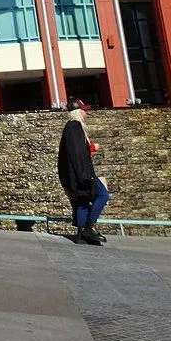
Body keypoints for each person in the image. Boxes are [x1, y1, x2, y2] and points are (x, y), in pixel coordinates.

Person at [57, 98, 108, 246]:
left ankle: (81, 235)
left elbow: (75, 150)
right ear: (78, 112)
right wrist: (84, 175)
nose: (86, 113)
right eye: (84, 110)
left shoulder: (71, 128)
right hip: (82, 173)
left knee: (82, 200)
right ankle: (89, 227)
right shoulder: (75, 127)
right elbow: (76, 154)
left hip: (75, 173)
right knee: (102, 195)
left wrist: (90, 148)